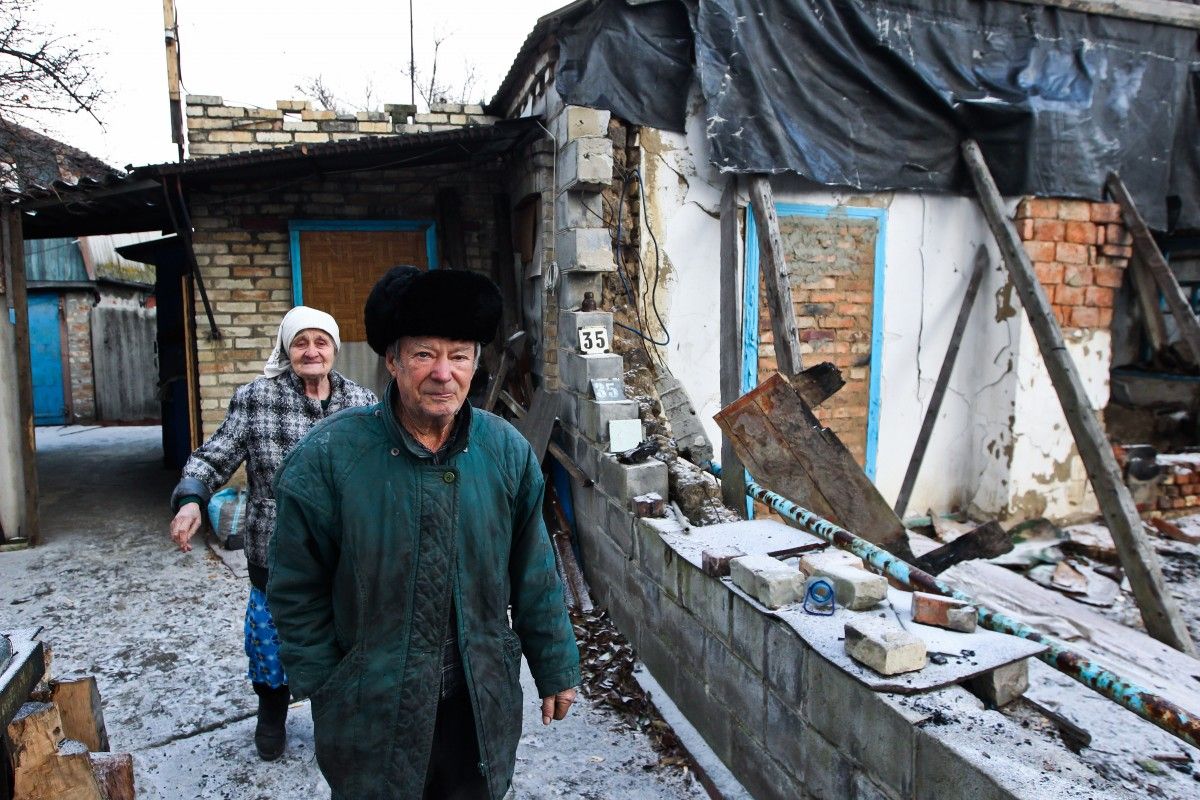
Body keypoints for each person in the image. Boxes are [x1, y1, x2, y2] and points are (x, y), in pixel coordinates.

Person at [268, 267, 580, 800]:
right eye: (423, 355)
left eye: (459, 355)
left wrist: (554, 663)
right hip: (373, 708)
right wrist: (329, 684)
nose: (443, 373)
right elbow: (296, 589)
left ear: (476, 363)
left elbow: (535, 571)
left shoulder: (504, 453)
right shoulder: (326, 460)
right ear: (391, 361)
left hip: (478, 702)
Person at [167, 306, 377, 761]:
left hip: (343, 550)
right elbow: (216, 454)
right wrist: (190, 497)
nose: (311, 351)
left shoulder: (361, 403)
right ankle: (271, 712)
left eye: (321, 342)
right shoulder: (256, 398)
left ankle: (332, 715)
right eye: (301, 342)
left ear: (334, 349)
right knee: (270, 637)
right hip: (274, 548)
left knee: (340, 635)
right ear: (286, 348)